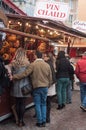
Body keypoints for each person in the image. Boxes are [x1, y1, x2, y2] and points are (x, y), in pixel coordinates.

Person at [11, 50, 52, 127]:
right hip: (45, 87)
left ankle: (39, 122)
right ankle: (43, 121)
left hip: (36, 87)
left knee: (37, 104)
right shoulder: (47, 65)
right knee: (43, 104)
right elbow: (50, 78)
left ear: (36, 56)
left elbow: (25, 74)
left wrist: (14, 77)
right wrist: (48, 85)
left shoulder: (33, 65)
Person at [9, 47, 30, 127]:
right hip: (25, 85)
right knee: (23, 103)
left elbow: (10, 73)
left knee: (17, 103)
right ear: (24, 54)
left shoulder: (13, 63)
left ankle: (17, 120)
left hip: (16, 85)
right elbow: (28, 74)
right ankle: (21, 120)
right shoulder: (27, 63)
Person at [43, 53, 56, 123]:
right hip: (51, 84)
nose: (43, 57)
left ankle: (46, 117)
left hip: (48, 85)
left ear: (48, 57)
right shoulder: (51, 63)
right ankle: (47, 117)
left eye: (44, 56)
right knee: (48, 102)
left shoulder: (47, 64)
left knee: (46, 102)